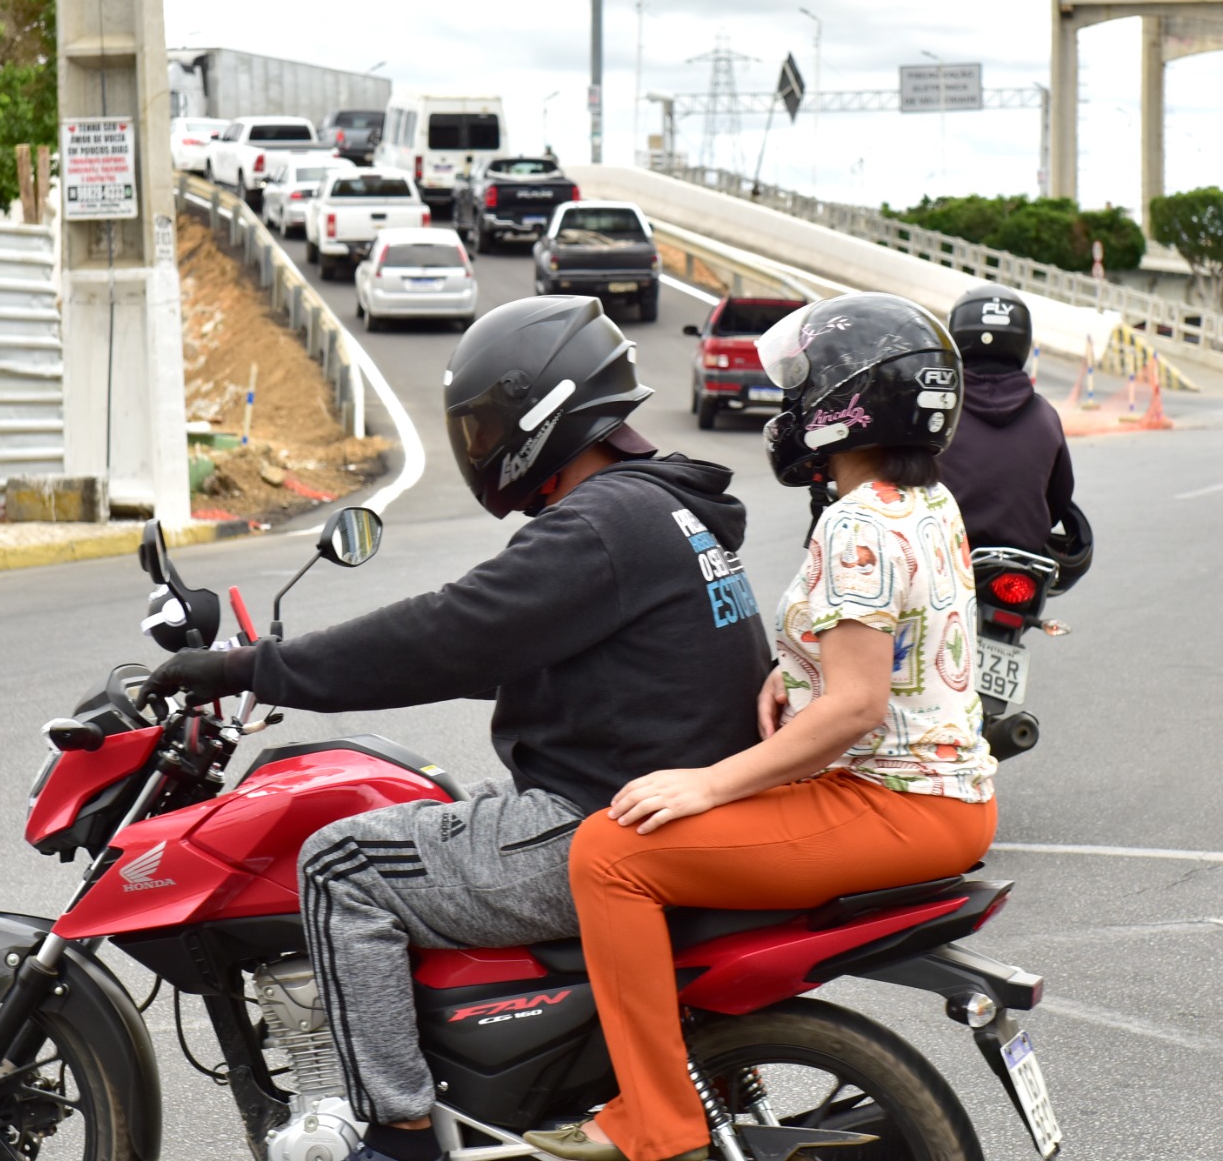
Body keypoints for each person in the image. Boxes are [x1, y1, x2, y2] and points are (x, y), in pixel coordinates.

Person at [140, 294, 771, 1161]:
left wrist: (252, 668)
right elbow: (572, 661)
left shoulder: (600, 525)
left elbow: (447, 632)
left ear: (545, 411)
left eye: (488, 424)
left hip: (604, 816)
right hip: (660, 801)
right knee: (430, 802)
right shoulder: (665, 509)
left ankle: (396, 1137)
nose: (483, 446)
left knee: (341, 864)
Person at [527, 293, 997, 1161]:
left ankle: (657, 1118)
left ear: (846, 402)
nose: (791, 409)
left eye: (801, 390)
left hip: (891, 802)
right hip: (944, 798)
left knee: (609, 855)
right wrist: (797, 666)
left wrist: (707, 782)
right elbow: (905, 645)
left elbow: (857, 706)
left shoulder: (858, 523)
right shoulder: (926, 505)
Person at [938, 282, 1075, 554]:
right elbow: (1059, 499)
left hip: (948, 560)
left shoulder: (938, 411)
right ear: (1022, 340)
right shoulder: (1045, 416)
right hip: (1023, 560)